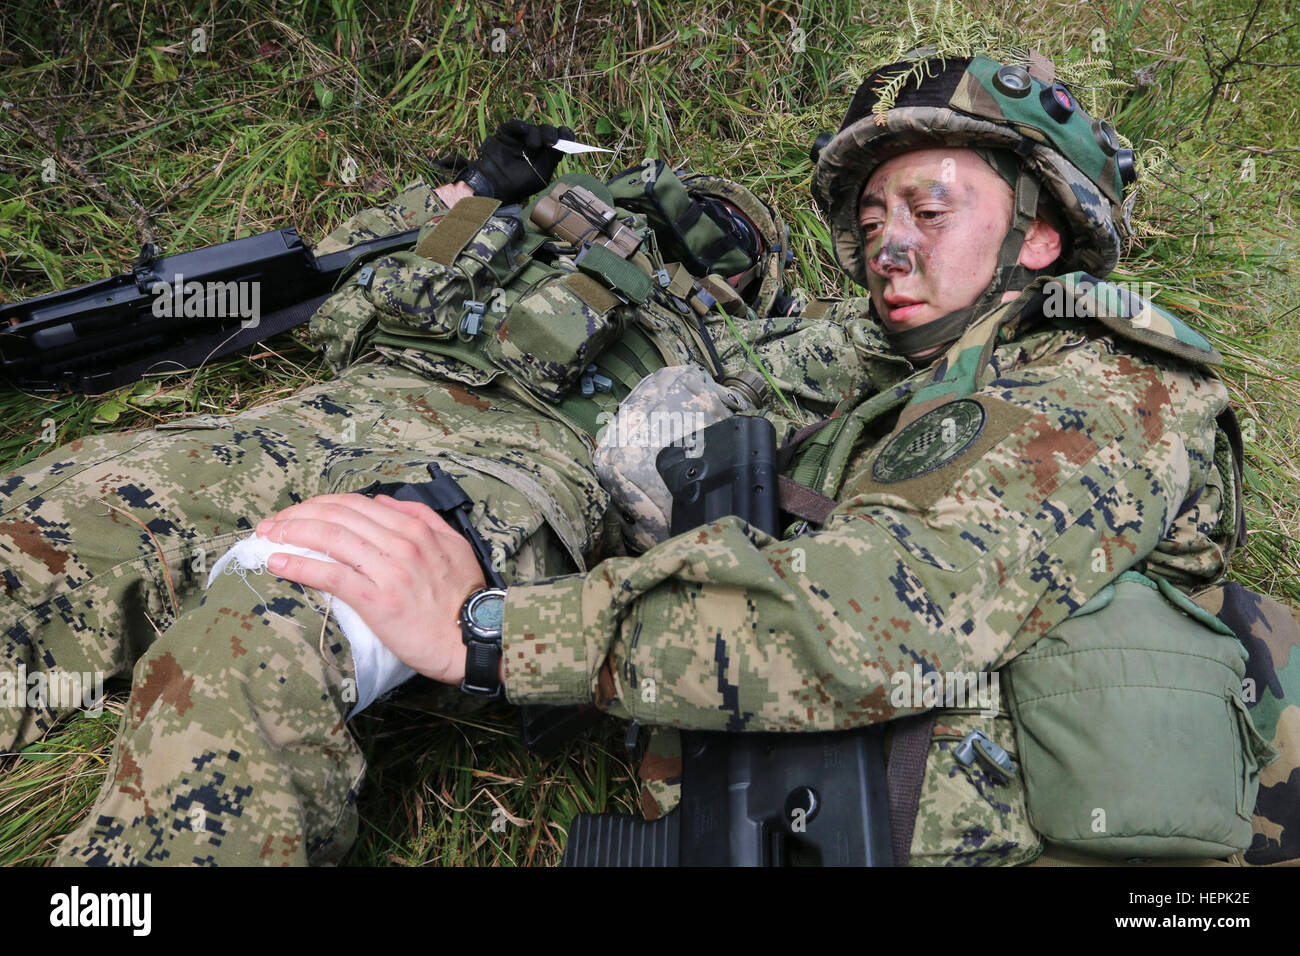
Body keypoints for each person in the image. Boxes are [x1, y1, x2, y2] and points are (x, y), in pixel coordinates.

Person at [252, 51, 1298, 866]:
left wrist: (487, 630)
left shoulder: (1101, 385)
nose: (889, 243)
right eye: (874, 218)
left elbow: (888, 610)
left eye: (929, 208)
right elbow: (697, 357)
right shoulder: (895, 361)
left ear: (1036, 235)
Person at [0, 121, 867, 864]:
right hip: (340, 408)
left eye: (732, 237)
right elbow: (335, 265)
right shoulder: (508, 236)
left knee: (272, 628)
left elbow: (886, 347)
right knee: (53, 528)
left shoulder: (749, 347)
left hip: (503, 471)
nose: (695, 231)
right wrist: (476, 192)